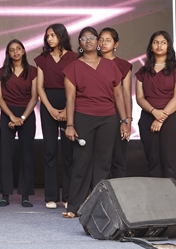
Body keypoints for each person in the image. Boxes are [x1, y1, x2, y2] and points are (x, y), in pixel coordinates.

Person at [62, 26, 128, 218]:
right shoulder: (73, 68)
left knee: (103, 164)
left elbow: (118, 95)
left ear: (98, 42)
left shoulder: (111, 66)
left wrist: (124, 120)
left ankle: (99, 207)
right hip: (83, 118)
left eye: (92, 37)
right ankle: (74, 207)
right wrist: (70, 125)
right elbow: (70, 99)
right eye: (84, 39)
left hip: (108, 119)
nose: (88, 41)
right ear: (80, 44)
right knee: (81, 163)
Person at [34, 23, 77, 209]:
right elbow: (39, 88)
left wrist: (67, 110)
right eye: (47, 36)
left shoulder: (74, 58)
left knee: (69, 152)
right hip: (48, 104)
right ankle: (51, 196)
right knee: (50, 150)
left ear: (61, 36)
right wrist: (50, 109)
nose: (49, 38)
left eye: (52, 35)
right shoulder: (42, 59)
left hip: (69, 102)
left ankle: (68, 196)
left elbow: (76, 86)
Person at [135, 30, 176, 183]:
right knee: (153, 161)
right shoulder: (143, 71)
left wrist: (160, 118)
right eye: (156, 42)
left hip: (172, 118)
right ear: (151, 46)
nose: (159, 45)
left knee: (170, 160)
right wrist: (153, 112)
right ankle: (156, 195)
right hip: (148, 117)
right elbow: (140, 98)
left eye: (163, 42)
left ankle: (173, 195)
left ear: (168, 46)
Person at [0, 39, 39, 208]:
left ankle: (25, 195)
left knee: (26, 154)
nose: (15, 52)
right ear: (8, 53)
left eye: (18, 49)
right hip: (8, 114)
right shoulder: (2, 72)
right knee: (5, 154)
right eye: (12, 50)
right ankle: (5, 195)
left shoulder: (32, 71)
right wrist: (12, 117)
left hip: (26, 114)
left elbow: (34, 97)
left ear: (23, 51)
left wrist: (22, 118)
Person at [99, 27, 133, 178]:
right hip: (97, 110)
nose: (103, 43)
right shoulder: (92, 62)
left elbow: (126, 94)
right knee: (100, 157)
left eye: (108, 40)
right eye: (101, 39)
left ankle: (119, 191)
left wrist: (128, 120)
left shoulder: (123, 65)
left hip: (118, 112)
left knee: (118, 157)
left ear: (116, 44)